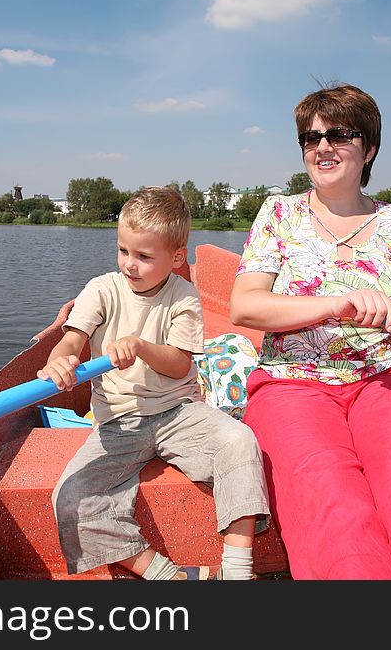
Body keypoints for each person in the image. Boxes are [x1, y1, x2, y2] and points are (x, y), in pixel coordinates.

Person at [229, 83, 391, 580]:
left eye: (340, 134)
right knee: (329, 487)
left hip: (383, 380)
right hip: (291, 382)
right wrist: (337, 304)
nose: (322, 147)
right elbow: (244, 307)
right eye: (310, 137)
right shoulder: (278, 213)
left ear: (369, 148)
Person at [40, 187, 270, 580]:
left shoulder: (184, 297)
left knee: (240, 441)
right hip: (118, 419)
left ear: (177, 257)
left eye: (144, 256)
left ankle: (237, 572)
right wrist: (59, 360)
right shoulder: (101, 289)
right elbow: (72, 339)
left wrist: (143, 347)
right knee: (70, 495)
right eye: (123, 250)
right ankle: (165, 575)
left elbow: (180, 365)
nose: (130, 264)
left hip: (178, 411)